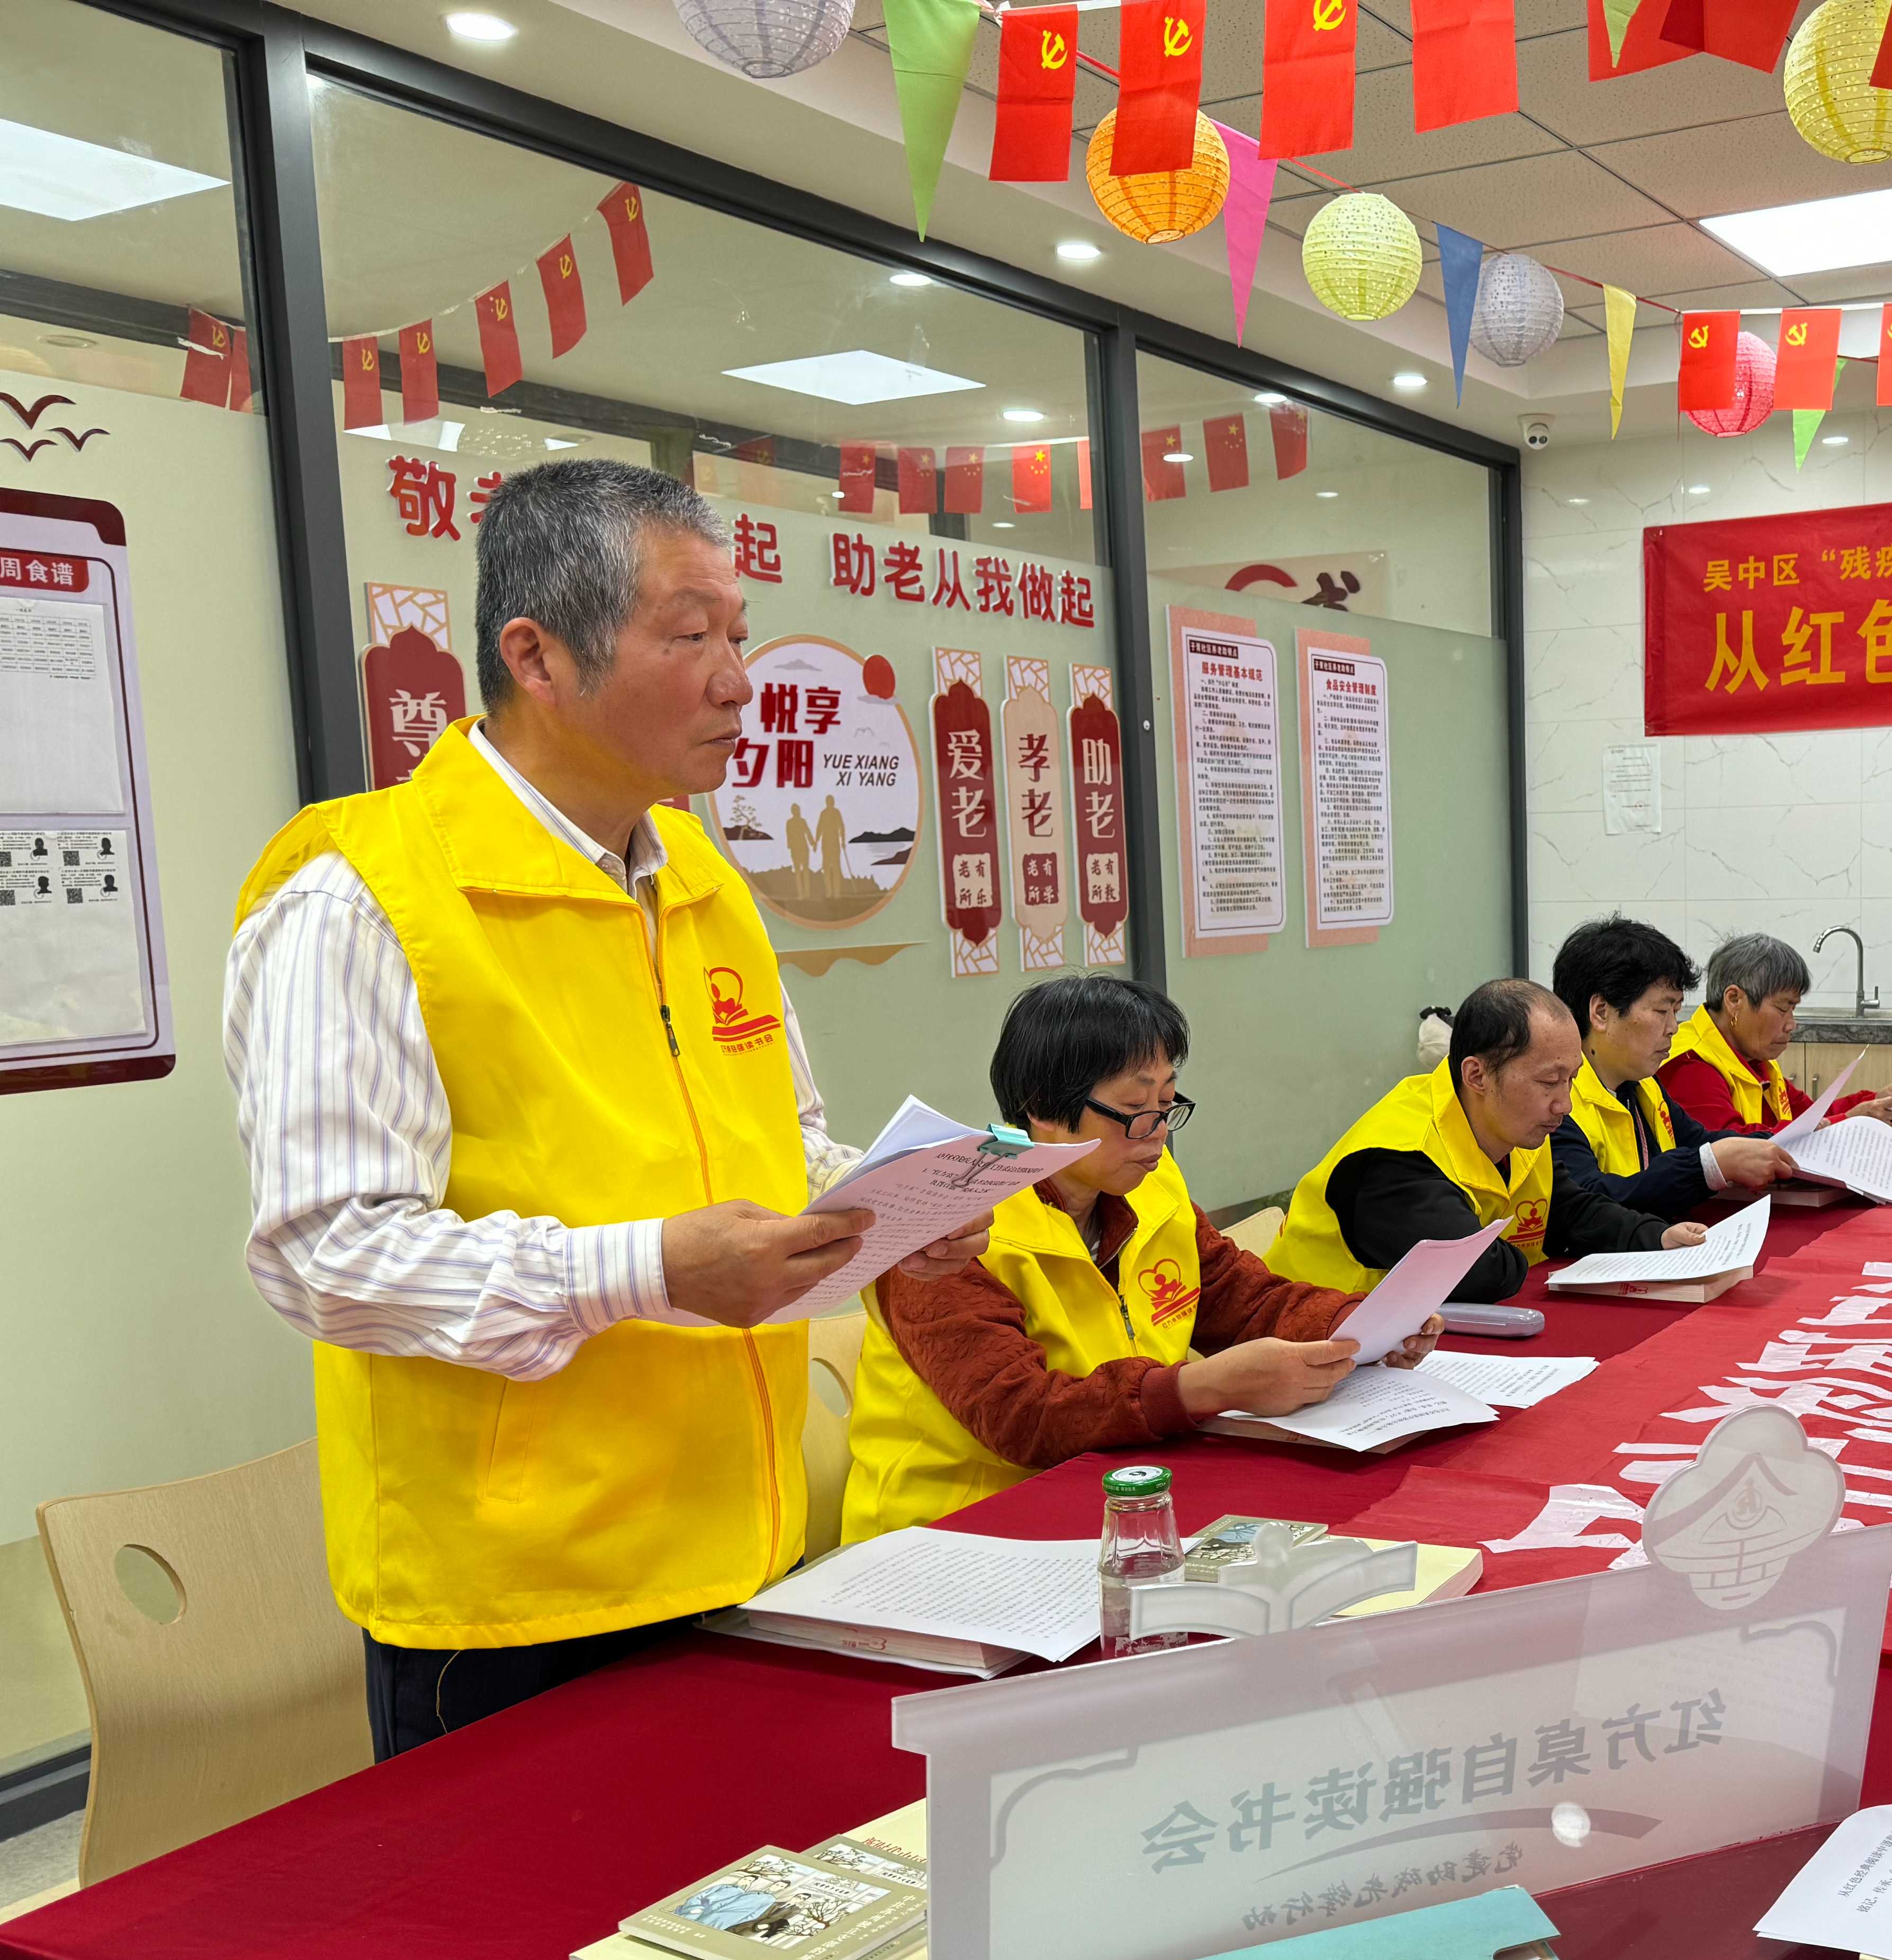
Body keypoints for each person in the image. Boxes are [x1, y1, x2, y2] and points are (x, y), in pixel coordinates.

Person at [223, 459, 990, 1759]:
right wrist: (651, 1271)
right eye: (689, 637)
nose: (740, 681)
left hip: (747, 1543)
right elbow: (327, 1253)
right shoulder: (363, 897)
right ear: (537, 656)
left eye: (739, 634)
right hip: (521, 1606)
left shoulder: (698, 875)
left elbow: (778, 1139)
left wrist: (895, 1209)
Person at [841, 978, 1438, 1541]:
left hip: (1125, 1492)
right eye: (1136, 1109)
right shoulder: (946, 1230)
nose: (1158, 1132)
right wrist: (1203, 1387)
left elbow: (1240, 1298)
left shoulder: (1149, 1186)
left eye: (1169, 1103)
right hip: (962, 1531)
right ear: (1044, 1108)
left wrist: (1363, 1324)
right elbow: (1022, 1416)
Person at [1269, 977, 1700, 1300]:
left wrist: (1656, 1237)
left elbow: (1571, 1209)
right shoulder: (1397, 1155)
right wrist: (1523, 1247)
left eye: (1571, 1079)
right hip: (1309, 1353)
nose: (1565, 1104)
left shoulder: (1516, 1127)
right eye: (1549, 1081)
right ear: (1476, 1075)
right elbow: (1477, 1274)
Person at [1545, 917, 1792, 1225]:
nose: (1673, 1028)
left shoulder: (1643, 1084)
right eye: (1662, 1011)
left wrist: (1783, 1141)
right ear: (1601, 1012)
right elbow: (1588, 1204)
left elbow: (1699, 1140)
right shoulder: (1558, 1103)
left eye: (1676, 1012)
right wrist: (1707, 1167)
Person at [1654, 933, 1892, 1135]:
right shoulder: (1690, 1064)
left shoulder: (1752, 1057)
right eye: (1783, 1008)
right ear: (1734, 1000)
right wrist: (1847, 1121)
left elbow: (1809, 1116)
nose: (1791, 1025)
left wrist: (1876, 1103)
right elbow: (1732, 1146)